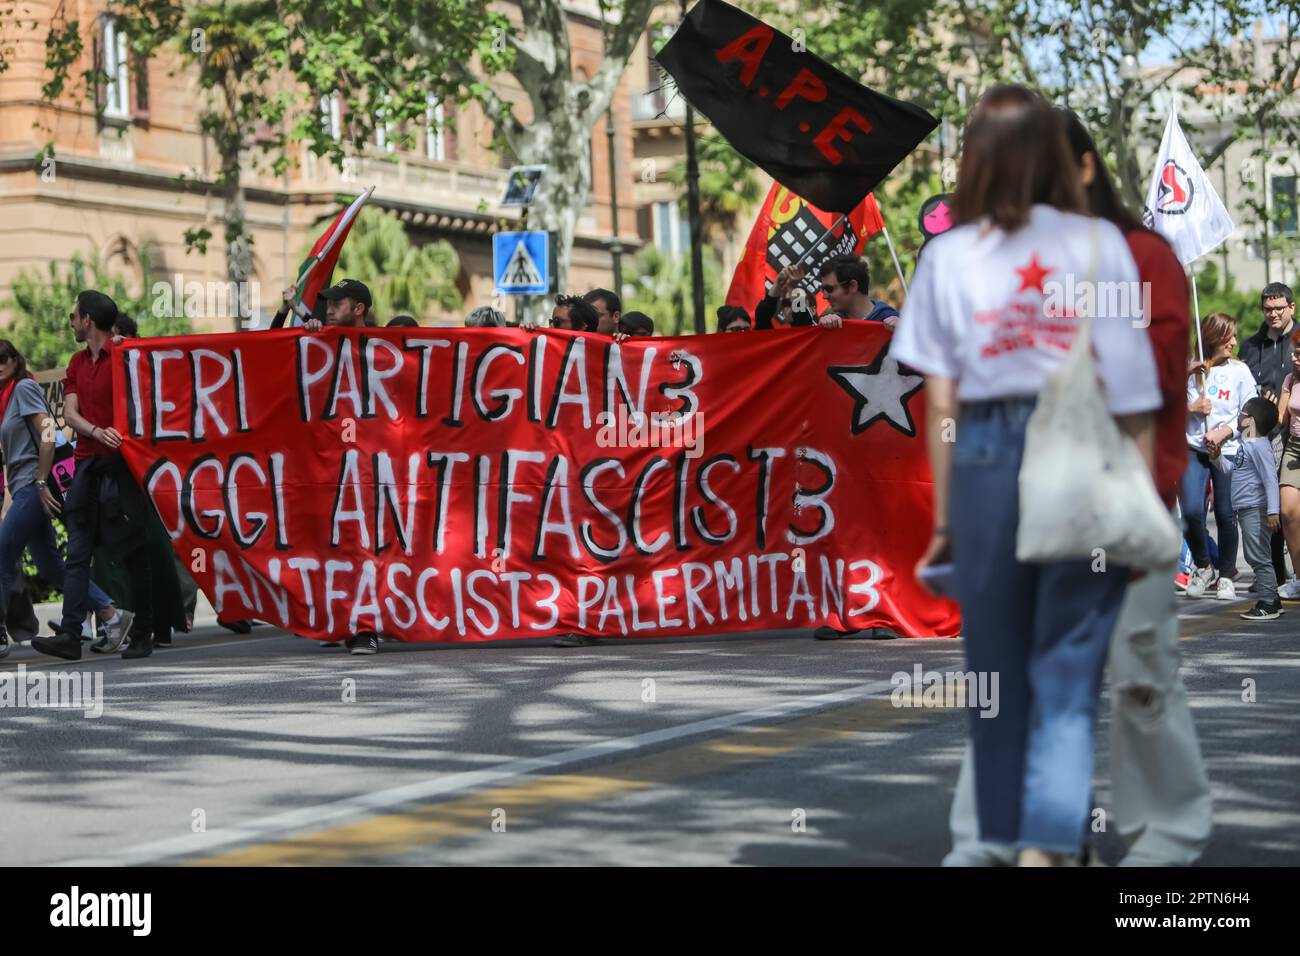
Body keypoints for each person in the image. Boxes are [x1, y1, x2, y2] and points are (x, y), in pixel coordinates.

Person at [897, 85, 1161, 866]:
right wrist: (1137, 501)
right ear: (1054, 154)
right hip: (1080, 460)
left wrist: (946, 518)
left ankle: (1007, 841)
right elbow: (1134, 393)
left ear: (973, 160)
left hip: (982, 459)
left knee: (996, 678)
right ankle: (1049, 848)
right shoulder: (1097, 245)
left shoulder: (947, 255)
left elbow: (939, 401)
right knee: (1069, 674)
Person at [945, 108, 1212, 867]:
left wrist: (1141, 505)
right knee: (1008, 679)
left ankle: (1168, 836)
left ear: (1084, 169)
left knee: (1139, 669)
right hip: (1014, 505)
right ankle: (1005, 838)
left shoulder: (1141, 255)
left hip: (1115, 500)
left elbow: (1153, 392)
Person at [31, 291, 159, 661]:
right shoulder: (75, 362)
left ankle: (143, 633)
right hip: (87, 468)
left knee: (134, 551)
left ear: (87, 320)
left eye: (74, 316)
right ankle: (71, 635)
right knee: (77, 554)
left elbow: (153, 384)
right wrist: (96, 430)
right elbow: (69, 415)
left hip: (122, 469)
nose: (71, 322)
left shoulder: (125, 356)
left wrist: (130, 346)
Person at [0, 340, 130, 659]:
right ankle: (113, 617)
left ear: (15, 360)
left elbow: (47, 434)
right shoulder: (5, 398)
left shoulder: (23, 389)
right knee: (50, 565)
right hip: (22, 486)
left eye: (3, 358)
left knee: (2, 551)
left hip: (34, 484)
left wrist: (42, 482)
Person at [1182, 312, 1256, 599]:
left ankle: (1225, 574)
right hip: (1192, 450)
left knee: (1226, 514)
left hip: (1227, 451)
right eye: (1229, 337)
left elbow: (1249, 415)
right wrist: (1190, 409)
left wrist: (1225, 432)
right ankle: (1203, 566)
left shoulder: (1240, 371)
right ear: (1213, 337)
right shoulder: (1187, 370)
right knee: (1190, 512)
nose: (1235, 342)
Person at [1231, 397, 1283, 620]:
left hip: (1256, 507)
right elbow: (1233, 470)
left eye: (1242, 413)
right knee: (1257, 554)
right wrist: (1215, 458)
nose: (1239, 417)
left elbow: (1271, 479)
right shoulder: (1247, 444)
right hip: (1245, 508)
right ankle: (1273, 599)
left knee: (1257, 556)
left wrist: (1273, 510)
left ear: (1250, 421)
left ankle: (1268, 602)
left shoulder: (1260, 446)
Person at [1275, 328, 1300, 599]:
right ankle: (1299, 577)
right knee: (1288, 511)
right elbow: (1280, 417)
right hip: (1294, 448)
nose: (1296, 358)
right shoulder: (1291, 379)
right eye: (1295, 353)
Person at [815, 256, 899, 329]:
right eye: (822, 290)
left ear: (852, 286)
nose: (824, 296)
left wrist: (903, 331)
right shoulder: (834, 324)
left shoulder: (896, 324)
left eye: (829, 289)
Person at [755, 265, 816, 329]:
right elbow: (761, 318)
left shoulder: (821, 333)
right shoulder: (778, 337)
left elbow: (801, 321)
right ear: (783, 312)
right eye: (787, 303)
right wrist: (778, 284)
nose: (792, 307)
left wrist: (792, 286)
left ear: (812, 310)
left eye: (799, 301)